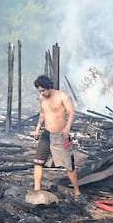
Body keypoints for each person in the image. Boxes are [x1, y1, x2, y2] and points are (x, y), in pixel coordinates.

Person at [31, 75, 86, 204]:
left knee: (69, 165)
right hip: (47, 134)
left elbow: (72, 113)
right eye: (40, 91)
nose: (42, 93)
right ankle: (37, 191)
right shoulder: (41, 98)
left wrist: (67, 128)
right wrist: (38, 128)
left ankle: (77, 192)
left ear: (49, 87)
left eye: (43, 90)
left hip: (61, 135)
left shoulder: (62, 96)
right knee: (38, 162)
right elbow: (43, 113)